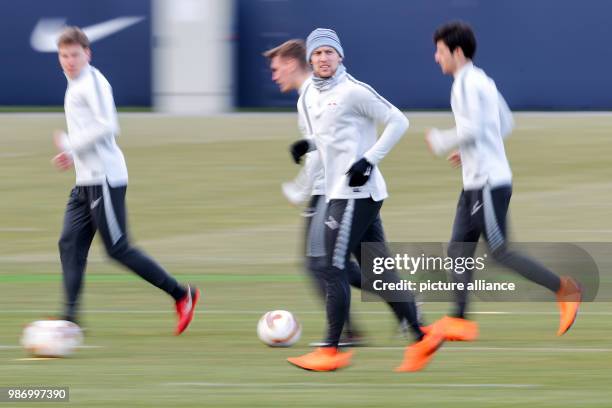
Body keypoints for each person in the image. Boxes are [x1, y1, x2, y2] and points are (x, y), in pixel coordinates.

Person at [286, 28, 444, 372]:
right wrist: (309, 144)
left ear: (341, 56)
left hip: (358, 192)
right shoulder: (308, 95)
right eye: (317, 53)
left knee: (331, 266)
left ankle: (330, 350)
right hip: (343, 192)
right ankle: (421, 337)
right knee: (377, 272)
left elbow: (398, 121)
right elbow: (331, 135)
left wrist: (369, 159)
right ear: (309, 59)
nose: (324, 58)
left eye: (330, 52)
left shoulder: (354, 91)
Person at [425, 21, 581, 340]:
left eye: (440, 51)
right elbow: (504, 122)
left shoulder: (466, 84)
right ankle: (458, 320)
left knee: (499, 251)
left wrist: (442, 140)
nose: (436, 57)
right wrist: (470, 151)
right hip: (476, 182)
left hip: (487, 183)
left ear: (457, 52)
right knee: (458, 249)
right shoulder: (482, 80)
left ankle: (564, 289)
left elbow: (475, 128)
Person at [51, 26, 200, 335]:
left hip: (104, 178)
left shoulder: (92, 84)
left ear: (87, 54)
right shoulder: (75, 82)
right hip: (86, 181)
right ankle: (70, 319)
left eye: (74, 55)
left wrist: (70, 146)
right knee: (69, 243)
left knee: (118, 248)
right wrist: (73, 155)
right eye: (63, 55)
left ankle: (182, 294)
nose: (69, 61)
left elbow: (109, 126)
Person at [263, 39, 365, 347]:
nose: (274, 75)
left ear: (292, 64)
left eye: (276, 68)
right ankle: (398, 308)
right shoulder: (312, 92)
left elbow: (319, 153)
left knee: (319, 266)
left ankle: (350, 332)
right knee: (339, 265)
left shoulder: (310, 94)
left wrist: (300, 189)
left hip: (329, 191)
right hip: (340, 189)